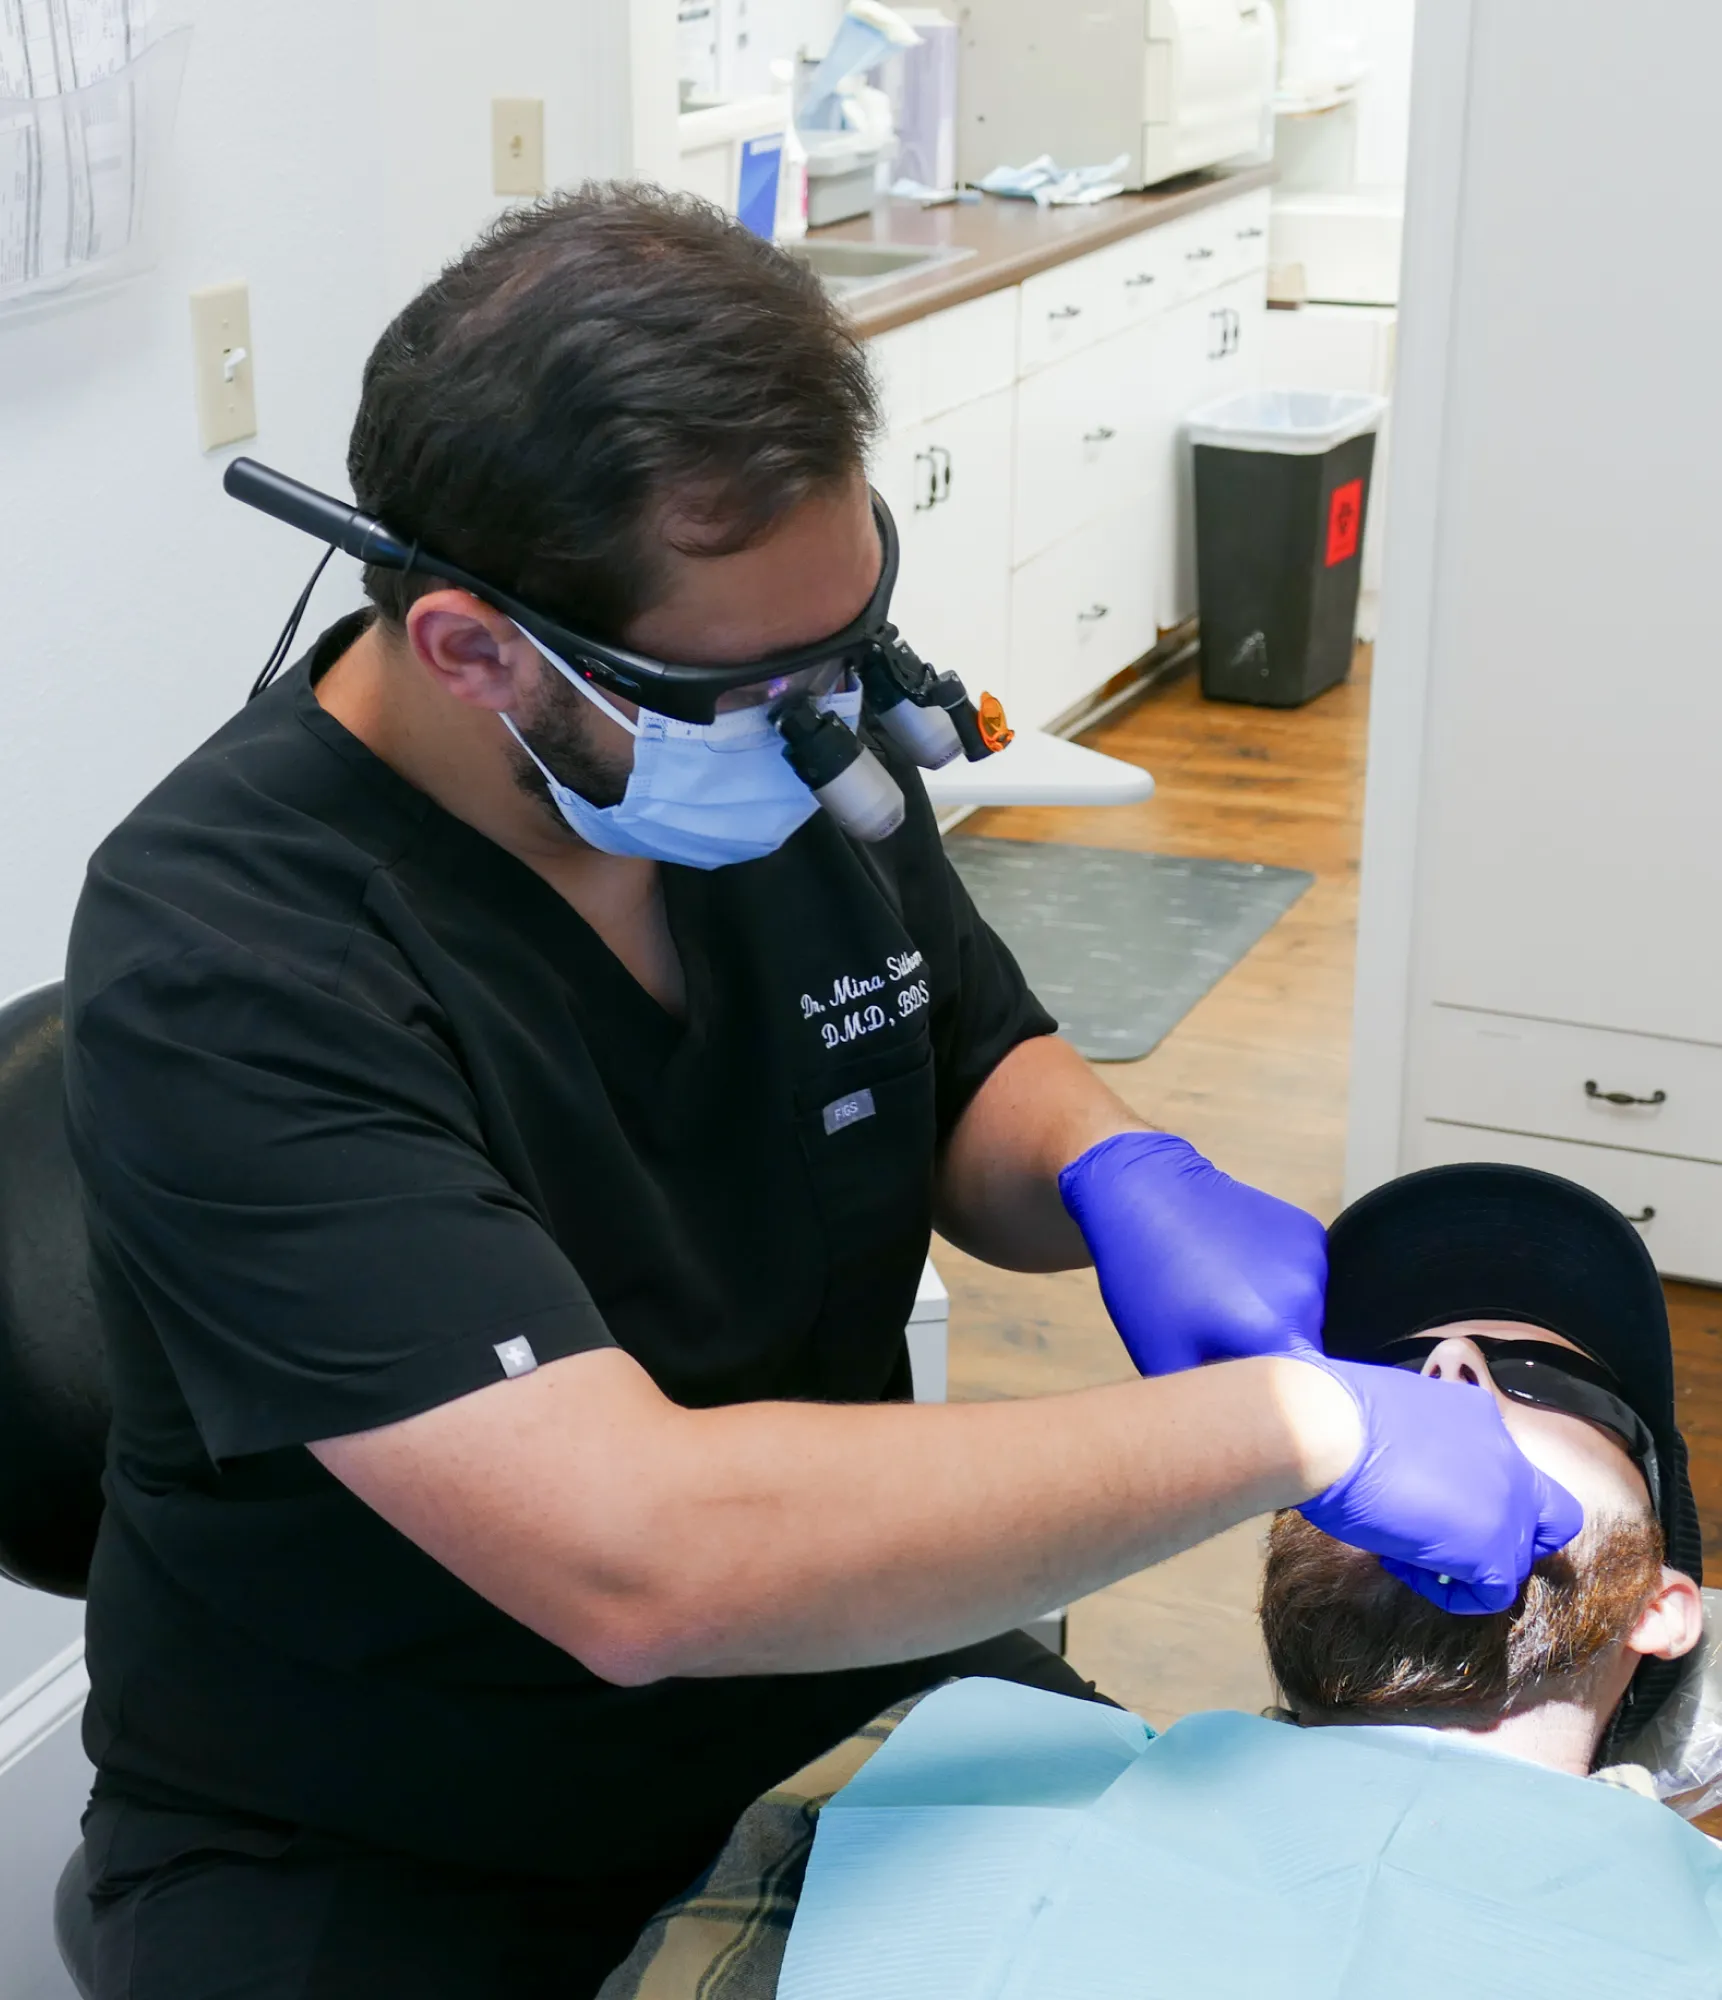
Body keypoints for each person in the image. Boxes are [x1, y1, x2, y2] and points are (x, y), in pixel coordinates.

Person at [61, 186, 1574, 1999]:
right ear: (477, 649)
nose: (838, 727)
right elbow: (639, 1567)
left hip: (862, 1688)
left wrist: (1110, 1167)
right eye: (769, 683)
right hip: (399, 1835)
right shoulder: (228, 951)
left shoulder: (754, 757)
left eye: (851, 642)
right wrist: (1294, 1430)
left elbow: (963, 1065)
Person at [778, 1164, 1719, 2000]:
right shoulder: (918, 1780)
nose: (1444, 1371)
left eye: (1539, 1379)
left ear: (1662, 1608)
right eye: (1371, 1384)